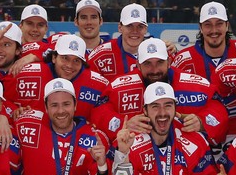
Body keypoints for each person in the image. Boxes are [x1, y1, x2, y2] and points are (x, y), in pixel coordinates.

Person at [113, 82, 229, 175]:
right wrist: (122, 154)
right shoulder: (130, 141)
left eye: (168, 105)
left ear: (175, 108)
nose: (162, 113)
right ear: (145, 111)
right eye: (155, 107)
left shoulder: (194, 141)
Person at [98, 38, 229, 146]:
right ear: (138, 65)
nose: (154, 70)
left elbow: (218, 107)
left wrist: (202, 122)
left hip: (184, 156)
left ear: (169, 62)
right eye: (148, 64)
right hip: (136, 156)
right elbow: (100, 110)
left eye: (159, 62)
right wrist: (123, 124)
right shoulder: (120, 86)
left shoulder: (193, 84)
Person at [13, 78, 109, 175]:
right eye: (54, 105)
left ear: (75, 105)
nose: (60, 110)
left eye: (66, 104)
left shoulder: (94, 138)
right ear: (45, 107)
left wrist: (102, 166)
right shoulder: (26, 125)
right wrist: (2, 120)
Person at [11, 34, 111, 122]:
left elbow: (105, 114)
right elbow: (1, 98)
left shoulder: (98, 84)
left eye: (76, 61)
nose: (69, 65)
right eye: (65, 58)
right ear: (54, 58)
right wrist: (13, 111)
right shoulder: (28, 73)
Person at [170, 1, 236, 83]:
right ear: (201, 28)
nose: (214, 30)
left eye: (219, 24)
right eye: (208, 25)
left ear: (227, 26)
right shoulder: (183, 61)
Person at [87, 3, 149, 81]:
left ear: (146, 29)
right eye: (129, 26)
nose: (135, 31)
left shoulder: (157, 55)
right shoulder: (100, 55)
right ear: (120, 28)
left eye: (140, 26)